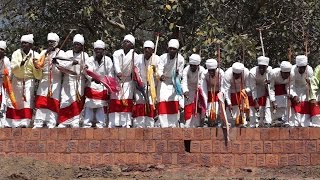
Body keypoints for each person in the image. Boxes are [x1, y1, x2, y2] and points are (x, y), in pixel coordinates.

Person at [6, 34, 42, 128]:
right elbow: (13, 67)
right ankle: (12, 122)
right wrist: (20, 64)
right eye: (22, 43)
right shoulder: (16, 53)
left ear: (30, 45)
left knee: (28, 100)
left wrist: (36, 66)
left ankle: (25, 122)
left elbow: (39, 72)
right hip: (17, 80)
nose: (23, 45)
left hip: (29, 81)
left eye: (25, 43)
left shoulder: (36, 55)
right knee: (15, 101)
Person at [33, 33, 65, 128]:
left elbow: (65, 66)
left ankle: (51, 122)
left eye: (52, 42)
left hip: (55, 80)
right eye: (49, 42)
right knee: (41, 99)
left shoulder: (61, 53)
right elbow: (38, 65)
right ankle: (39, 122)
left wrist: (57, 63)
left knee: (53, 100)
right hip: (44, 79)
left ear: (56, 43)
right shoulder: (43, 52)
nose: (50, 44)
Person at [58, 34, 89, 128]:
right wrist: (71, 62)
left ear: (82, 46)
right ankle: (64, 121)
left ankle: (75, 121)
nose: (76, 46)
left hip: (79, 80)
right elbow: (61, 65)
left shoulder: (85, 55)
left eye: (78, 44)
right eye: (75, 44)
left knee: (76, 100)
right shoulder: (67, 53)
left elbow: (87, 70)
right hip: (68, 79)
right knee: (65, 99)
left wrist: (85, 68)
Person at [109, 34, 139, 128]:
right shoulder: (117, 53)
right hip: (117, 81)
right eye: (125, 41)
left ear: (132, 45)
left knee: (126, 102)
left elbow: (136, 67)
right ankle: (114, 123)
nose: (126, 43)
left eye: (128, 42)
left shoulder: (135, 56)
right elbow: (116, 64)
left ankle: (126, 123)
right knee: (116, 101)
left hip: (128, 81)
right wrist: (118, 72)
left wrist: (134, 73)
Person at [83, 40, 113, 128]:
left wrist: (105, 81)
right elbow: (88, 72)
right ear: (94, 51)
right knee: (89, 104)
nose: (98, 51)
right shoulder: (90, 60)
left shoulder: (107, 60)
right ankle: (87, 124)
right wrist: (93, 78)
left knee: (101, 105)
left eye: (100, 50)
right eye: (96, 50)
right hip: (91, 84)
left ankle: (101, 124)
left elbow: (110, 73)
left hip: (103, 85)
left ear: (104, 51)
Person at [157, 39, 185, 127]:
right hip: (163, 82)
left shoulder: (180, 59)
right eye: (170, 49)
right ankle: (163, 123)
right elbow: (159, 69)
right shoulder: (163, 57)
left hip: (174, 83)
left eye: (174, 49)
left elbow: (180, 74)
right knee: (162, 100)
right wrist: (161, 75)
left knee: (173, 102)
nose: (172, 51)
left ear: (177, 50)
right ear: (168, 49)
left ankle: (173, 123)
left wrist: (177, 75)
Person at [132, 40, 160, 128]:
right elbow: (136, 71)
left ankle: (150, 125)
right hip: (140, 86)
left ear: (152, 50)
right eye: (145, 48)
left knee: (150, 104)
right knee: (140, 103)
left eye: (149, 48)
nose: (147, 50)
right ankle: (139, 125)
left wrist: (155, 70)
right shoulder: (139, 58)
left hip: (151, 87)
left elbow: (158, 75)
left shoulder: (156, 59)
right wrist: (139, 82)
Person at [181, 54, 207, 128]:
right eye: (191, 65)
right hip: (188, 89)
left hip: (198, 90)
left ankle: (197, 123)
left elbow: (202, 82)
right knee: (188, 106)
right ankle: (187, 123)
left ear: (198, 65)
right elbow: (184, 81)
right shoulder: (186, 69)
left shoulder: (202, 70)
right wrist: (185, 90)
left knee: (197, 107)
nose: (192, 67)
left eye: (194, 66)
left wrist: (199, 90)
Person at [268, 61, 297, 127]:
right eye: (285, 73)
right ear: (281, 72)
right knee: (272, 106)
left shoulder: (292, 75)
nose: (287, 75)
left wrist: (291, 93)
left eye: (288, 73)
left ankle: (286, 121)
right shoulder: (273, 73)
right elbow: (271, 88)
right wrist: (273, 100)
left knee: (286, 102)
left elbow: (290, 86)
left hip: (284, 91)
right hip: (274, 90)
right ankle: (272, 121)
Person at [222, 62, 250, 127]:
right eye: (235, 74)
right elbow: (226, 90)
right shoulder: (227, 74)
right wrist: (229, 103)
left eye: (238, 75)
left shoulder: (246, 72)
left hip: (242, 91)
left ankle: (242, 123)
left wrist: (245, 91)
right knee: (231, 114)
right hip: (231, 91)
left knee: (242, 110)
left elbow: (249, 86)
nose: (236, 76)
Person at [248, 56, 273, 127]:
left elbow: (271, 85)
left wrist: (269, 83)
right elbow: (253, 88)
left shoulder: (270, 72)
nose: (261, 69)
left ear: (267, 67)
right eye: (260, 67)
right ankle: (253, 124)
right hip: (254, 87)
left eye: (264, 67)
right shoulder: (252, 72)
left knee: (263, 107)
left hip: (263, 88)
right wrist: (255, 102)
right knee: (254, 107)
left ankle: (264, 122)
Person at [291, 55, 313, 127]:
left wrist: (309, 82)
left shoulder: (309, 70)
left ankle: (305, 122)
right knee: (296, 104)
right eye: (301, 68)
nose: (302, 70)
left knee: (305, 104)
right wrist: (294, 95)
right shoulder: (292, 70)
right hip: (295, 88)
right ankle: (296, 122)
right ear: (297, 67)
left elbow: (312, 83)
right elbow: (291, 85)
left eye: (304, 68)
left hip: (305, 88)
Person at [205, 59, 224, 127]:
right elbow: (203, 87)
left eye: (213, 70)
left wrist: (221, 96)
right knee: (210, 108)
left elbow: (223, 86)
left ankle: (217, 122)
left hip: (218, 91)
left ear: (216, 68)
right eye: (209, 70)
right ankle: (210, 122)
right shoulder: (205, 74)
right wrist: (205, 98)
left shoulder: (221, 73)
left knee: (217, 108)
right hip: (209, 91)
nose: (211, 72)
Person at [0, 41, 11, 127]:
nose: (0, 51)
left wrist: (4, 75)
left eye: (2, 49)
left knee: (3, 105)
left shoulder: (6, 60)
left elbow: (9, 74)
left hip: (3, 85)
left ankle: (2, 124)